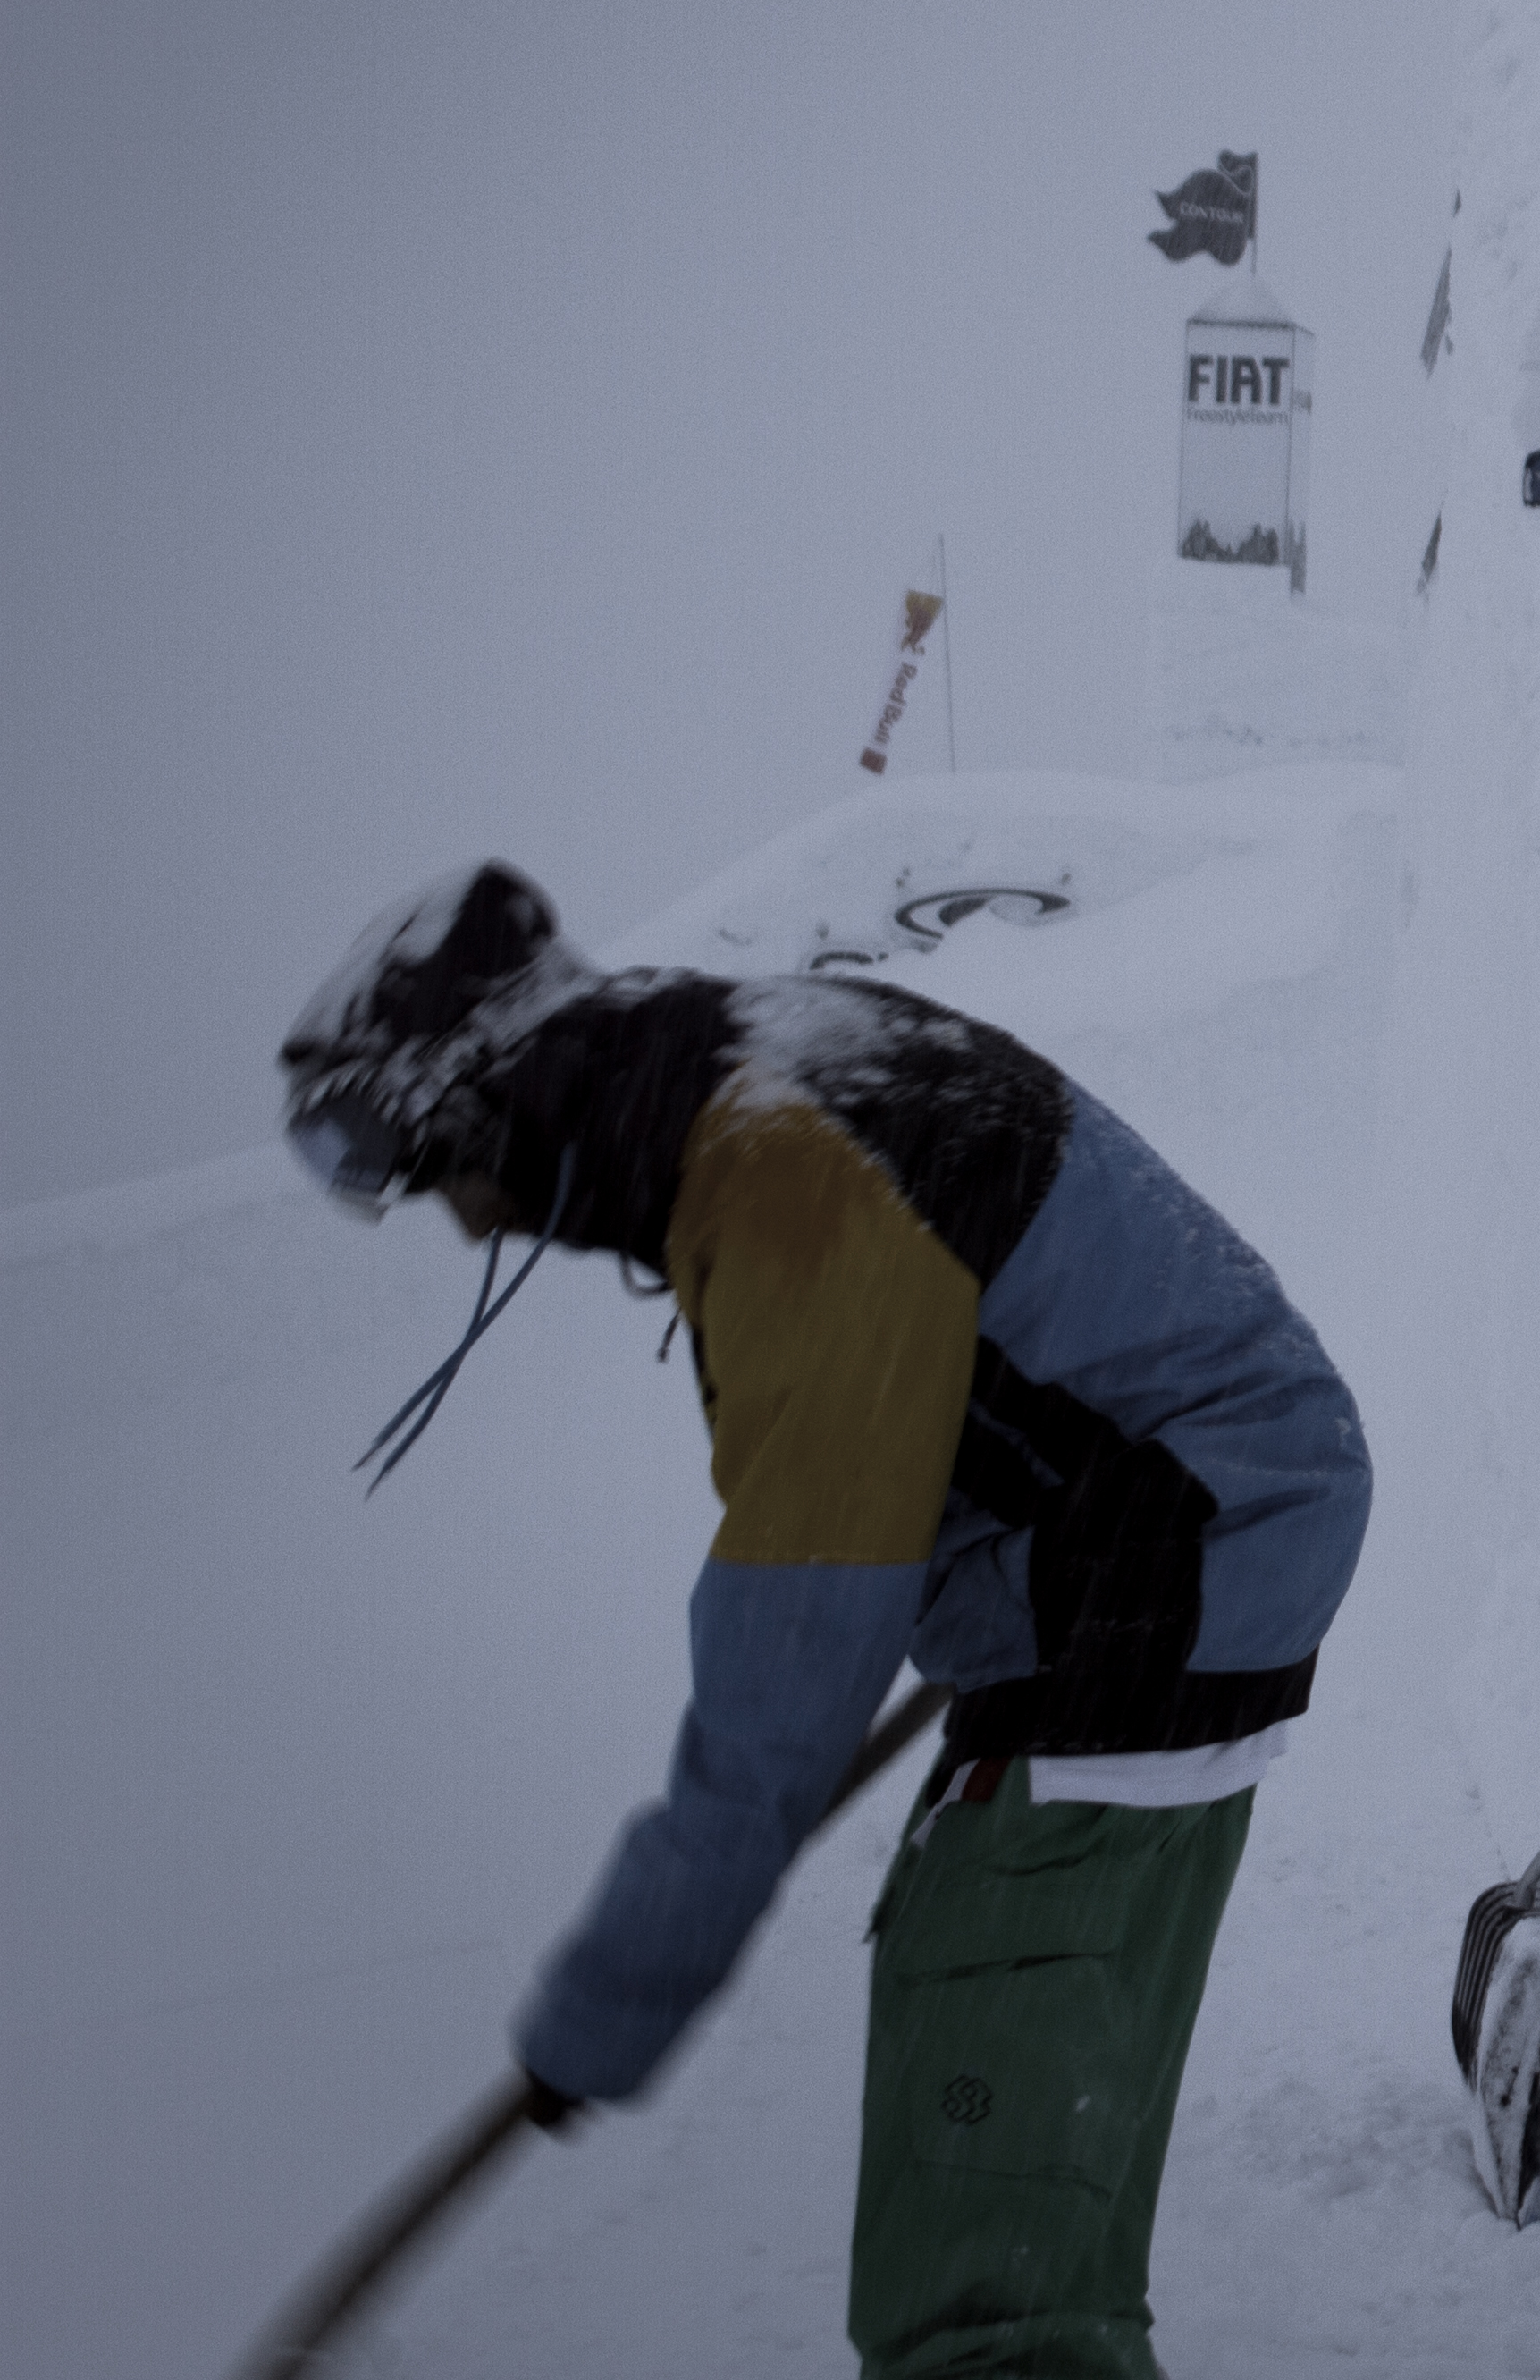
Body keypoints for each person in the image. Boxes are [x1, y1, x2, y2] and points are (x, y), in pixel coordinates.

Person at [277, 863, 1370, 2380]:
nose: (445, 1217)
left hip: (1156, 1577)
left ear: (483, 1097)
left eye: (401, 1155)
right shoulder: (766, 1069)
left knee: (985, 2295)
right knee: (1010, 2192)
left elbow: (790, 1661)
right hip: (1168, 1559)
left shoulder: (778, 1160)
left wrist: (603, 2010)